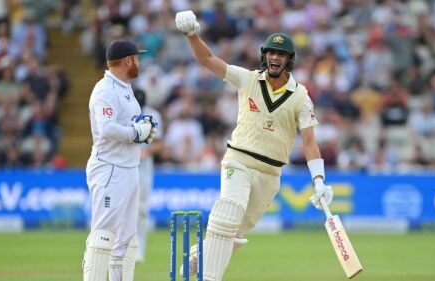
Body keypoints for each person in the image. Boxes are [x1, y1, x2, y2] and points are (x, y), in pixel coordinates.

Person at [175, 11, 334, 281]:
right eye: (271, 53)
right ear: (265, 56)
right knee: (228, 212)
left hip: (270, 175)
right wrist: (192, 35)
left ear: (289, 60)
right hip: (239, 161)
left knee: (234, 234)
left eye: (281, 54)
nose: (274, 58)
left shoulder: (301, 97)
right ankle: (209, 277)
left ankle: (198, 256)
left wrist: (319, 180)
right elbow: (208, 59)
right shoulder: (247, 79)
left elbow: (309, 141)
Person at [82, 40, 158, 281]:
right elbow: (106, 129)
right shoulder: (105, 89)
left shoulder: (125, 88)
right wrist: (136, 133)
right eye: (137, 58)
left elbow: (127, 125)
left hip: (129, 167)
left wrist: (144, 129)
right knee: (103, 236)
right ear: (128, 61)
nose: (139, 63)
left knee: (126, 240)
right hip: (110, 168)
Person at [133, 88, 164, 263]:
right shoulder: (124, 112)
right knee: (122, 208)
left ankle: (139, 249)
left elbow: (160, 145)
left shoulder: (153, 115)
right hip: (124, 166)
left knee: (142, 209)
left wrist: (146, 152)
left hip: (144, 168)